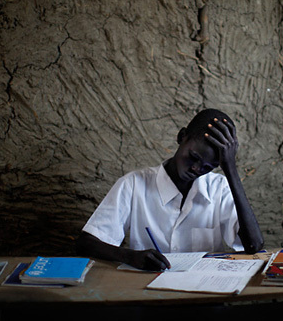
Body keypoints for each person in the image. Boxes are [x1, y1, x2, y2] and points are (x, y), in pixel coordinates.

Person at [76, 108, 264, 271]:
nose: (196, 169)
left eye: (208, 167)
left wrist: (230, 168)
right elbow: (86, 243)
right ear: (181, 137)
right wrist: (130, 256)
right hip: (147, 295)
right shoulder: (133, 185)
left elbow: (253, 245)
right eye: (193, 157)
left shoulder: (219, 188)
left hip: (203, 297)